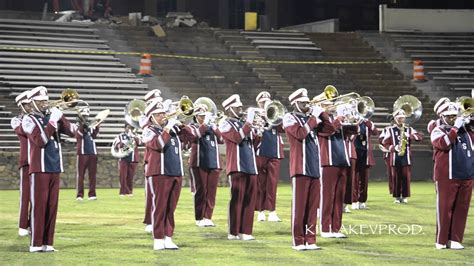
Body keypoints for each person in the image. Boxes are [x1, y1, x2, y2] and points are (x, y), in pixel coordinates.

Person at [21, 86, 76, 252]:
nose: (45, 103)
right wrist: (52, 120)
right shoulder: (28, 120)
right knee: (39, 206)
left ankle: (47, 243)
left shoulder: (51, 116)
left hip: (54, 166)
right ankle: (35, 244)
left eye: (45, 100)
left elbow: (72, 132)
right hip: (39, 168)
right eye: (41, 101)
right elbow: (41, 140)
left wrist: (62, 117)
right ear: (33, 103)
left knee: (52, 207)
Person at [283, 88, 335, 251]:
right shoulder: (289, 118)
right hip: (300, 168)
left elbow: (330, 130)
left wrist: (322, 114)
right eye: (303, 103)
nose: (307, 104)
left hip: (314, 168)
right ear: (295, 104)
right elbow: (300, 134)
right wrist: (313, 117)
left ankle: (310, 240)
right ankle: (298, 241)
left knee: (313, 208)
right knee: (299, 208)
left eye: (307, 102)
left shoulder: (311, 119)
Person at [142, 98, 184, 250]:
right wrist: (167, 129)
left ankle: (168, 236)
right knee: (159, 206)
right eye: (158, 114)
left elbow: (190, 138)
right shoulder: (148, 130)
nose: (163, 116)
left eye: (163, 113)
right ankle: (158, 238)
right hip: (159, 172)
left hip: (175, 171)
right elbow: (157, 145)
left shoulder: (172, 129)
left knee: (171, 208)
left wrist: (181, 125)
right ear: (151, 117)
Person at [431, 102, 473, 250]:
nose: (452, 119)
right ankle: (441, 240)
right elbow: (444, 143)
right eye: (449, 117)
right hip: (446, 176)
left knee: (462, 209)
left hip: (467, 175)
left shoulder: (466, 131)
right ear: (442, 117)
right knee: (444, 208)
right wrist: (455, 127)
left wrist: (469, 121)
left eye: (454, 116)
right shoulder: (437, 130)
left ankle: (455, 239)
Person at [219, 94, 258, 241]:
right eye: (237, 107)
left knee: (250, 200)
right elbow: (236, 138)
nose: (240, 109)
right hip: (236, 165)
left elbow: (253, 145)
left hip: (250, 165)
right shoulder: (225, 123)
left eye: (241, 107)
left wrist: (258, 132)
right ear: (229, 109)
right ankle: (233, 231)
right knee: (237, 199)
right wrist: (248, 123)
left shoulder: (243, 123)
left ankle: (246, 231)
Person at [318, 101, 357, 239]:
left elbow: (353, 132)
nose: (331, 105)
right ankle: (325, 228)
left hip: (342, 160)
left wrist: (354, 117)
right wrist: (338, 119)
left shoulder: (337, 119)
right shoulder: (319, 120)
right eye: (327, 103)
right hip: (328, 161)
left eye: (332, 103)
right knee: (327, 197)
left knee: (339, 197)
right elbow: (328, 131)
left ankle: (336, 228)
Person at [182, 104, 223, 227]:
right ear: (195, 116)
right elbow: (195, 136)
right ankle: (199, 217)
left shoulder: (211, 126)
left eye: (205, 116)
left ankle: (208, 217)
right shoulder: (191, 127)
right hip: (199, 162)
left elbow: (222, 139)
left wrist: (215, 126)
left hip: (213, 161)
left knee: (211, 191)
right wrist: (205, 124)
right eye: (201, 116)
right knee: (201, 191)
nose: (203, 118)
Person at [254, 91, 284, 222]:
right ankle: (260, 211)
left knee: (272, 184)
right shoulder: (255, 114)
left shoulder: (276, 113)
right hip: (260, 151)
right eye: (262, 102)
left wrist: (275, 116)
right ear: (258, 103)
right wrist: (261, 118)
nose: (265, 103)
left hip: (274, 152)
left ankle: (272, 211)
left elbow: (283, 128)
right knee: (260, 184)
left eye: (267, 101)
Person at [382, 110, 423, 203]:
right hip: (395, 157)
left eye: (402, 117)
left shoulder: (409, 129)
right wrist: (394, 147)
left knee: (405, 177)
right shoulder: (390, 130)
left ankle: (404, 196)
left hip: (406, 156)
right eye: (399, 118)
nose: (401, 119)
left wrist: (410, 136)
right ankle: (397, 196)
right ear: (395, 118)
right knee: (396, 177)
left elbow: (420, 137)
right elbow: (385, 144)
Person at [11, 90, 32, 237]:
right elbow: (25, 132)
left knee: (38, 197)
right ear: (21, 106)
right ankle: (22, 225)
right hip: (26, 161)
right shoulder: (16, 120)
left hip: (40, 161)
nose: (31, 106)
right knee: (25, 195)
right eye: (27, 104)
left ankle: (33, 224)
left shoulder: (38, 118)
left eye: (31, 104)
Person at [142, 89, 162, 233]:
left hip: (163, 159)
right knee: (151, 193)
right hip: (151, 159)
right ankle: (149, 220)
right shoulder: (145, 118)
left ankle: (158, 221)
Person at [74, 102, 101, 201]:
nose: (86, 118)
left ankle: (92, 194)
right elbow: (78, 136)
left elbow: (93, 136)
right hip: (82, 153)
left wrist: (97, 126)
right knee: (80, 175)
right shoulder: (76, 125)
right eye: (84, 116)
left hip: (92, 152)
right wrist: (83, 126)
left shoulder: (90, 125)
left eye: (86, 116)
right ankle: (79, 195)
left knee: (92, 175)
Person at [352, 118, 379, 209]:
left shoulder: (368, 123)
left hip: (365, 154)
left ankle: (362, 201)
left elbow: (375, 132)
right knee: (354, 179)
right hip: (354, 153)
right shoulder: (352, 121)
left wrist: (367, 122)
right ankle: (354, 201)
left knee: (364, 179)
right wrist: (355, 123)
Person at [112, 124, 140, 197]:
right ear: (125, 128)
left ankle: (129, 191)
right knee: (123, 176)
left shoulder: (135, 135)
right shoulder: (121, 136)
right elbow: (117, 145)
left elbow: (140, 142)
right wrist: (124, 144)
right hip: (123, 158)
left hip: (133, 158)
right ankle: (122, 192)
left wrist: (133, 136)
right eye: (128, 127)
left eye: (131, 127)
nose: (129, 129)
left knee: (130, 176)